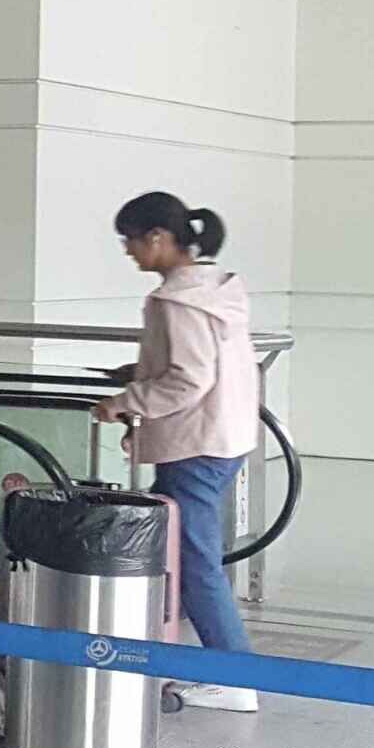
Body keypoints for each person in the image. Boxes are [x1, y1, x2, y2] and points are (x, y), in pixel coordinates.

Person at [99, 191, 264, 712]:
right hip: (223, 436)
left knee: (195, 562)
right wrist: (141, 378)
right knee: (182, 551)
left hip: (196, 444)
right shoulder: (217, 288)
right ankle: (183, 655)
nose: (127, 251)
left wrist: (125, 402)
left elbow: (188, 380)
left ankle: (232, 677)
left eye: (130, 239)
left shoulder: (179, 301)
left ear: (158, 237)